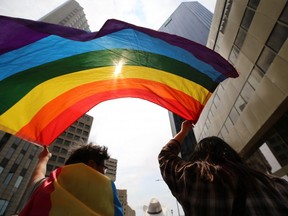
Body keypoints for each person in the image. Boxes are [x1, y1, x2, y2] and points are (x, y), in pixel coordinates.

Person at [158, 120, 288, 216]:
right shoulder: (277, 185)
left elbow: (165, 156)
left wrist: (183, 131)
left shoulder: (194, 177)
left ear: (199, 156)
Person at [20, 143, 124, 216]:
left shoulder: (46, 187)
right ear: (92, 165)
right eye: (104, 168)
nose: (105, 174)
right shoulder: (109, 200)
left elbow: (37, 176)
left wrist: (44, 158)